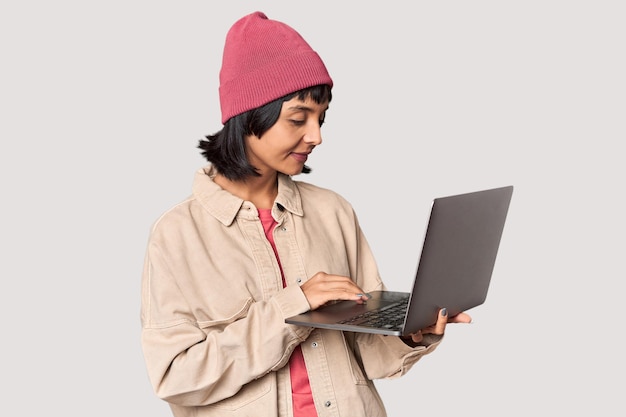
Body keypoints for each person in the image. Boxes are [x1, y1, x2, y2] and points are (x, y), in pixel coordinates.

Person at [140, 11, 471, 417]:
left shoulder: (333, 212)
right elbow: (176, 378)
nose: (316, 136)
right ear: (249, 116)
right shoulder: (177, 235)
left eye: (321, 118)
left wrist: (410, 334)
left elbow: (364, 353)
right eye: (298, 119)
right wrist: (291, 308)